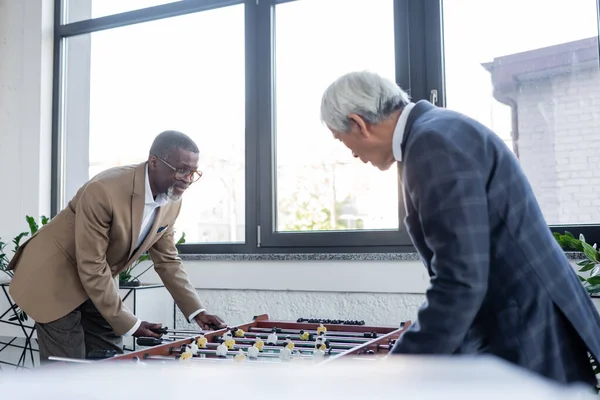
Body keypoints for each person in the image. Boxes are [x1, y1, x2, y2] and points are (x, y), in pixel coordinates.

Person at [319, 71, 600, 388]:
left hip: (526, 328)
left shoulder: (431, 144)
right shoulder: (439, 128)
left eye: (342, 141)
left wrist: (398, 369)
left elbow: (461, 280)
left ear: (359, 124)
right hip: (523, 319)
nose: (352, 155)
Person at [7, 130, 226, 362]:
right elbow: (91, 263)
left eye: (193, 173)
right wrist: (131, 324)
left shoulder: (171, 202)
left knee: (109, 358)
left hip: (95, 281)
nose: (188, 180)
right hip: (53, 276)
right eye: (182, 170)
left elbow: (168, 260)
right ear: (154, 162)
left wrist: (197, 312)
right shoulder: (104, 190)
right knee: (67, 368)